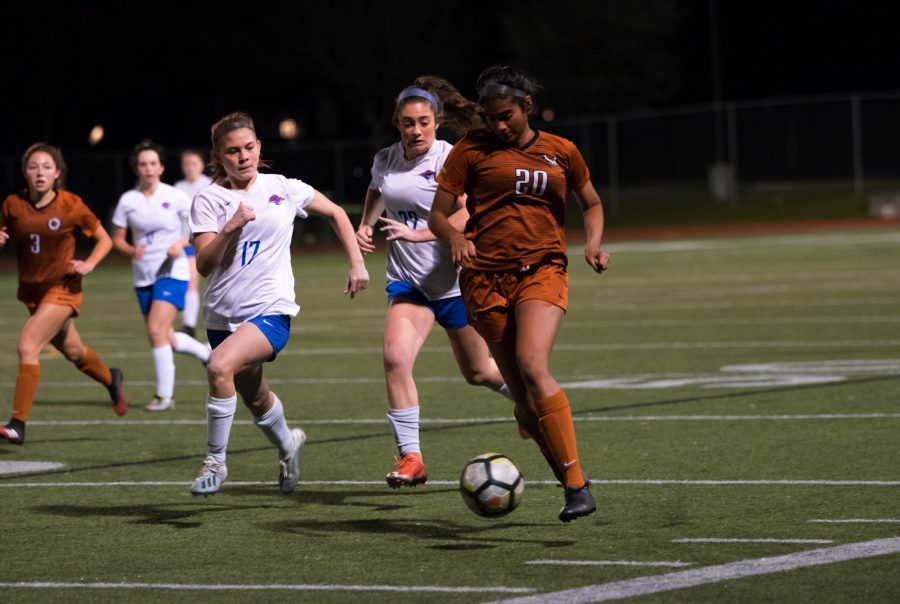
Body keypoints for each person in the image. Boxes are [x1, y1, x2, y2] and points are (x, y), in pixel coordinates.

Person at [428, 65, 611, 522]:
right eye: (492, 118)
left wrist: (592, 242)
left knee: (532, 365)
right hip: (484, 280)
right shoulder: (470, 150)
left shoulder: (561, 151)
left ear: (526, 107)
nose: (499, 125)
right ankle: (534, 421)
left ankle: (576, 486)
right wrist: (454, 237)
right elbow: (438, 214)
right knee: (525, 402)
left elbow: (590, 201)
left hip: (542, 270)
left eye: (506, 115)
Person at [188, 111, 368, 496]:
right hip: (222, 318)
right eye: (232, 151)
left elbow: (336, 212)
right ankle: (288, 445)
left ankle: (215, 461)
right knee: (253, 396)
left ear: (259, 148)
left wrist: (357, 261)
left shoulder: (282, 187)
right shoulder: (208, 199)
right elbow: (204, 264)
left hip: (271, 311)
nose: (243, 157)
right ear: (218, 157)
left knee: (219, 365)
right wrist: (230, 227)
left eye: (249, 148)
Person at [356, 76, 512, 489]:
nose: (417, 130)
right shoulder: (386, 159)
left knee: (479, 372)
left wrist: (422, 233)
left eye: (424, 122)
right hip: (410, 285)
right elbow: (377, 190)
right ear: (398, 124)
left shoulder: (450, 159)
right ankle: (412, 459)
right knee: (394, 358)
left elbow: (467, 216)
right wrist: (365, 226)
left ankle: (531, 405)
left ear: (437, 121)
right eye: (408, 123)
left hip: (456, 284)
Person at [0, 143, 128, 445]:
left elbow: (104, 239)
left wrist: (90, 264)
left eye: (46, 167)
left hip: (64, 289)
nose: (39, 172)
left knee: (27, 345)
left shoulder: (71, 205)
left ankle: (18, 423)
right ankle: (112, 379)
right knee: (74, 352)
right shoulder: (12, 204)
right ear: (25, 173)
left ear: (57, 173)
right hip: (33, 293)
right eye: (33, 167)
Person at [112, 141, 211, 411]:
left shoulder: (176, 196)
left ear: (161, 167)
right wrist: (131, 249)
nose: (148, 169)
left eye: (153, 164)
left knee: (156, 330)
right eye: (143, 164)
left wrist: (180, 243)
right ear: (136, 168)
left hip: (173, 271)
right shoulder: (128, 201)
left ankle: (164, 396)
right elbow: (117, 239)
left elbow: (196, 227)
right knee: (164, 334)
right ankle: (206, 353)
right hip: (143, 275)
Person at [173, 149, 213, 338]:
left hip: (209, 239)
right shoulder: (178, 187)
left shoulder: (209, 184)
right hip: (186, 242)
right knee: (191, 282)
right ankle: (189, 326)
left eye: (193, 163)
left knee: (215, 283)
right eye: (186, 163)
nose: (190, 167)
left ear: (202, 165)